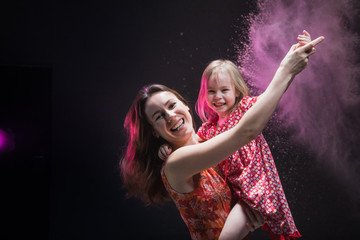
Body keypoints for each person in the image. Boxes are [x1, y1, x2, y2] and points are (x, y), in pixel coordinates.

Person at [120, 35, 324, 239]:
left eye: (172, 105)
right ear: (155, 131)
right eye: (159, 117)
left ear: (185, 105)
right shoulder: (175, 162)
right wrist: (286, 70)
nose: (171, 116)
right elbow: (245, 132)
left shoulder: (209, 141)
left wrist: (249, 216)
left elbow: (261, 107)